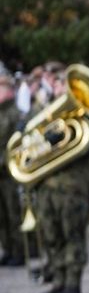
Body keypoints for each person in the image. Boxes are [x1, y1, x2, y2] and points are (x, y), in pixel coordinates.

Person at [30, 65, 89, 293]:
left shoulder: (83, 114)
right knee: (51, 234)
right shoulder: (44, 112)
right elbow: (31, 146)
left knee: (72, 234)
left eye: (62, 85)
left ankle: (73, 283)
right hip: (47, 185)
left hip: (71, 187)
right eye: (56, 84)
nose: (57, 89)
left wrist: (58, 140)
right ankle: (57, 280)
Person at [0, 72, 23, 267]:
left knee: (13, 212)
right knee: (2, 215)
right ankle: (7, 249)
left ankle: (18, 251)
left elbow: (17, 144)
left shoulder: (15, 113)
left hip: (10, 172)